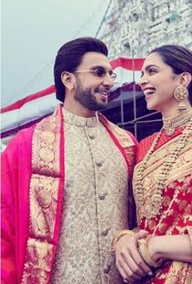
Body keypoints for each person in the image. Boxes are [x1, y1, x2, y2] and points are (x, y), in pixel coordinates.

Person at [1, 37, 138, 284]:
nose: (108, 82)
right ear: (68, 79)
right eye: (98, 73)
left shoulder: (126, 144)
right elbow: (4, 228)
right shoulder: (27, 145)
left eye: (110, 74)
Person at [115, 45, 192, 284]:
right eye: (142, 75)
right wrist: (126, 239)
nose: (143, 81)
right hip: (146, 276)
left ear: (182, 79)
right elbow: (137, 221)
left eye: (151, 71)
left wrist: (157, 246)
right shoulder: (143, 147)